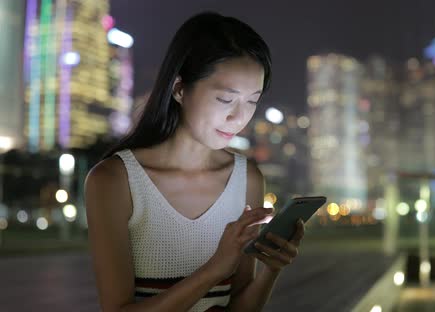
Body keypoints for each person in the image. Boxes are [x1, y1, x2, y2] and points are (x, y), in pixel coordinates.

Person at [84, 12, 305, 312]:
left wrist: (272, 268)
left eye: (251, 101)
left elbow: (240, 306)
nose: (238, 118)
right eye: (226, 100)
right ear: (179, 89)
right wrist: (215, 269)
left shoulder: (247, 179)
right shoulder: (114, 180)